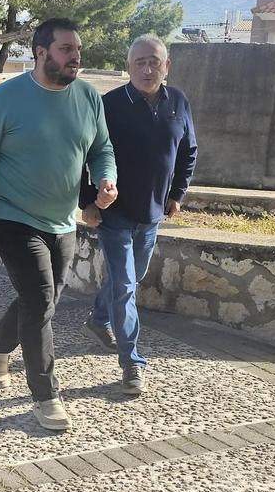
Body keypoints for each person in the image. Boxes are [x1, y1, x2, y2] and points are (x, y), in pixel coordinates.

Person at [0, 18, 117, 432]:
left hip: (62, 219)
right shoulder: (5, 99)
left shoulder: (88, 98)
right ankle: (45, 394)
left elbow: (102, 148)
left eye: (77, 50)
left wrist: (105, 179)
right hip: (11, 215)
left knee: (41, 302)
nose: (76, 57)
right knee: (41, 295)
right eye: (66, 49)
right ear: (41, 53)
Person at [80, 34, 197, 395]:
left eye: (154, 62)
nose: (148, 69)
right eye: (140, 62)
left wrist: (177, 193)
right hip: (114, 215)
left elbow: (188, 151)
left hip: (152, 215)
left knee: (129, 278)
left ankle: (98, 319)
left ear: (167, 65)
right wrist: (88, 201)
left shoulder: (178, 101)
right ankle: (131, 362)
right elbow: (83, 155)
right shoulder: (109, 104)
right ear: (128, 66)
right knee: (127, 285)